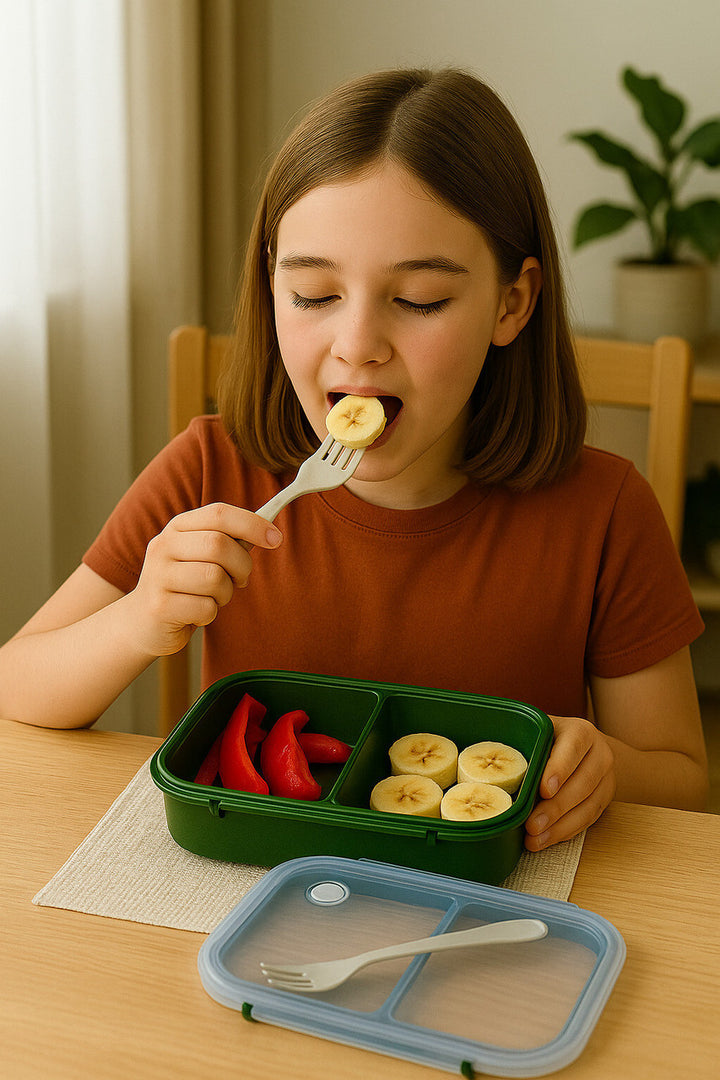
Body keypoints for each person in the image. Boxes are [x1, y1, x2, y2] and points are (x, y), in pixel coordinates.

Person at [0, 68, 708, 851]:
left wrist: (603, 764)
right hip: (251, 884)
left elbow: (682, 780)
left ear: (512, 303)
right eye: (311, 294)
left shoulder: (602, 510)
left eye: (419, 300)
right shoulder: (208, 471)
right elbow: (16, 686)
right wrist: (138, 620)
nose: (358, 344)